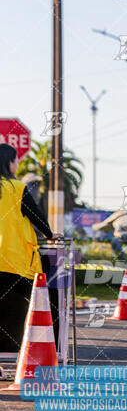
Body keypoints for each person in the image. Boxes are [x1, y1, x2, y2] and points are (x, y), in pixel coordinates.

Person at [0, 143, 59, 351]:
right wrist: (50, 235)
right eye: (16, 160)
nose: (18, 164)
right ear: (9, 162)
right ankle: (25, 355)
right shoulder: (17, 188)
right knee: (21, 308)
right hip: (14, 261)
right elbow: (36, 216)